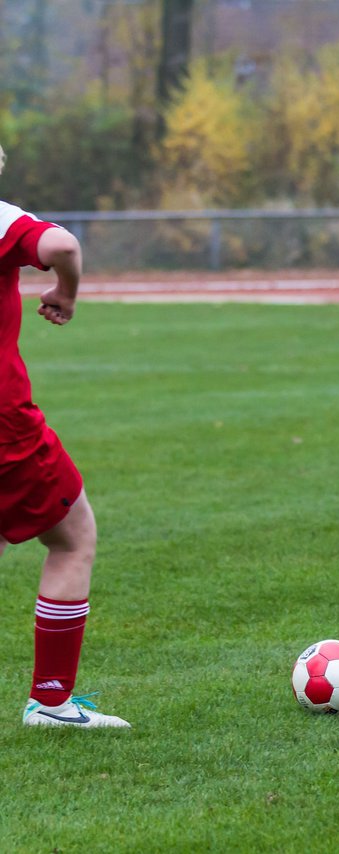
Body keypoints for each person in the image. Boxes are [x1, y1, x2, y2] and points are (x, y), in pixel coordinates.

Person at [0, 144, 129, 728]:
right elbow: (62, 247)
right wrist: (68, 292)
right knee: (73, 536)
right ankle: (51, 702)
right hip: (4, 425)